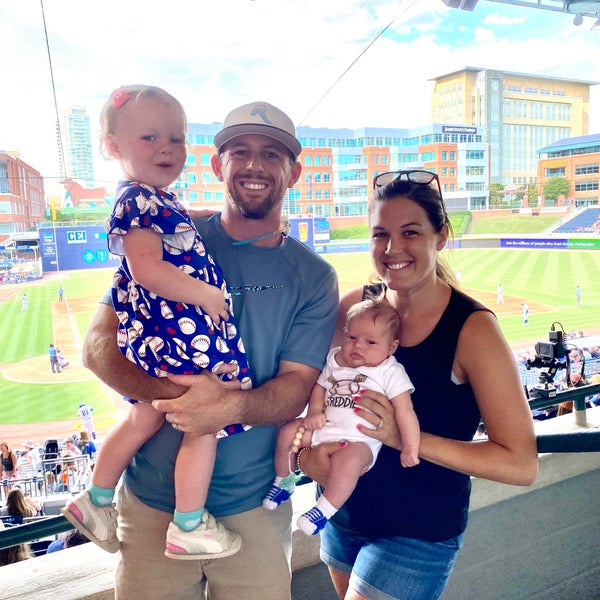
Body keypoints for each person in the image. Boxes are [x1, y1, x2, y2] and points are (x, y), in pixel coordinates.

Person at [80, 99, 338, 598]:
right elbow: (97, 347)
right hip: (152, 506)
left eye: (272, 153)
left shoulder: (314, 276)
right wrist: (178, 400)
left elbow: (294, 390)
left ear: (295, 171)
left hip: (254, 514)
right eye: (239, 150)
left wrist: (226, 407)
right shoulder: (166, 237)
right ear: (218, 165)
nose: (255, 165)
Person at [298, 169, 538, 600]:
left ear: (440, 235)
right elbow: (320, 390)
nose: (392, 249)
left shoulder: (472, 330)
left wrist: (402, 437)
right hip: (341, 517)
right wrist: (305, 456)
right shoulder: (354, 308)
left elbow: (520, 463)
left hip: (418, 535)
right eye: (379, 234)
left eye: (410, 232)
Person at [63, 85, 255, 561]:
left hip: (164, 333)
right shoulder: (135, 200)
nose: (167, 147)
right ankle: (189, 524)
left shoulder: (151, 199)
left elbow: (178, 224)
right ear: (113, 146)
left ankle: (97, 497)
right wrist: (207, 294)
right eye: (149, 137)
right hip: (179, 333)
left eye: (177, 137)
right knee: (208, 417)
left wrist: (213, 215)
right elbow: (148, 269)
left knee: (143, 415)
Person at [263, 297, 417, 536]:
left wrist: (410, 446)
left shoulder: (390, 372)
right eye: (352, 337)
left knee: (349, 462)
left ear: (391, 347)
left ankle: (323, 510)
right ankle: (284, 480)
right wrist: (314, 411)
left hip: (359, 441)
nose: (358, 346)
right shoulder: (335, 360)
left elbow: (406, 411)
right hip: (324, 428)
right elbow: (320, 387)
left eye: (371, 342)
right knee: (287, 433)